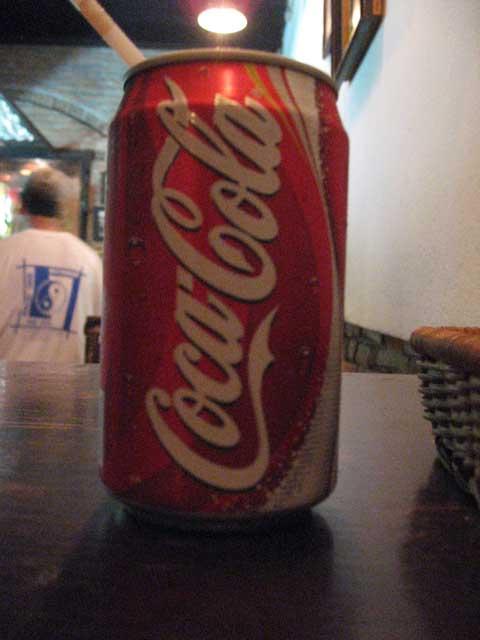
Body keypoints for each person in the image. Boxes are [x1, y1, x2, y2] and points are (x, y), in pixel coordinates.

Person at [0, 167, 102, 363]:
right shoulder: (89, 260)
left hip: (6, 378)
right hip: (70, 380)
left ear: (23, 205)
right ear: (62, 208)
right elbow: (97, 331)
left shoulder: (4, 252)